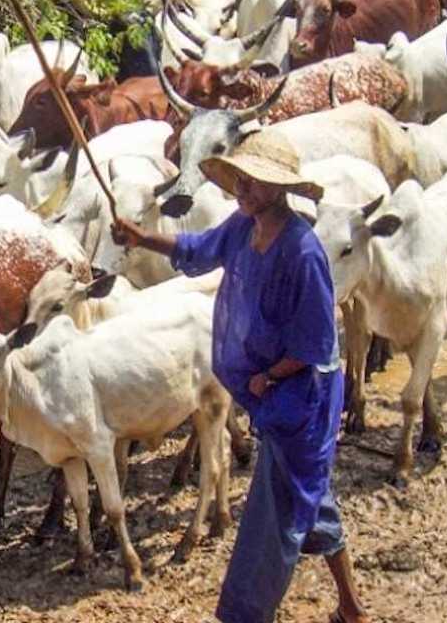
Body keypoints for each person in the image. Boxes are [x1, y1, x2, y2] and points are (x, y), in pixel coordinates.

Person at [110, 129, 370, 623]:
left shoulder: (303, 252)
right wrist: (142, 237)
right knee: (309, 495)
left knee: (271, 522)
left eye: (253, 182)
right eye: (241, 179)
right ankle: (352, 607)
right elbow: (196, 248)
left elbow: (315, 341)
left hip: (300, 397)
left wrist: (270, 376)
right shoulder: (241, 227)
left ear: (279, 189)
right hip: (267, 391)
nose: (243, 189)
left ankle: (245, 613)